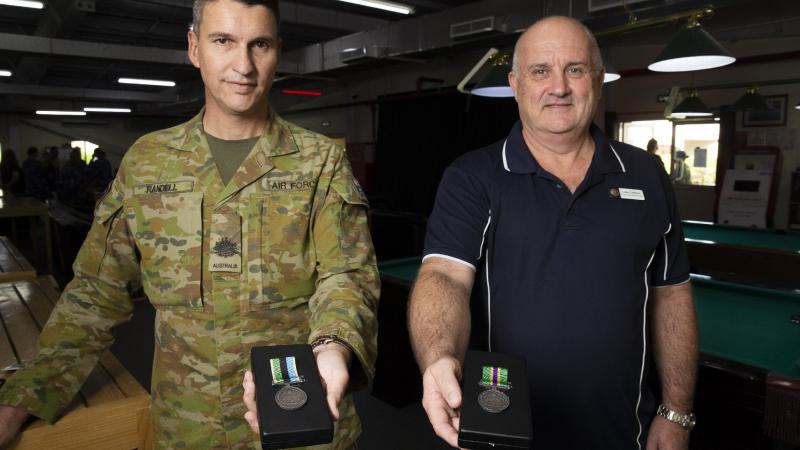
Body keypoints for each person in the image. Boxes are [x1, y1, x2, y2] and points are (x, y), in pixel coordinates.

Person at [0, 0, 379, 449]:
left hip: (300, 418)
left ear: (278, 51)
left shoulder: (320, 161)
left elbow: (347, 276)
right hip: (188, 425)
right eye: (224, 41)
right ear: (194, 48)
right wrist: (26, 394)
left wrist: (332, 345)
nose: (244, 65)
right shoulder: (147, 162)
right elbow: (96, 291)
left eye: (259, 44)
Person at [408, 16, 698, 450]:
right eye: (540, 71)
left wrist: (676, 410)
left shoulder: (646, 173)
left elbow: (671, 293)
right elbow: (444, 276)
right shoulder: (473, 176)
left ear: (597, 81)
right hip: (502, 430)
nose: (558, 87)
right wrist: (439, 358)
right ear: (515, 84)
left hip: (623, 431)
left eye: (575, 69)